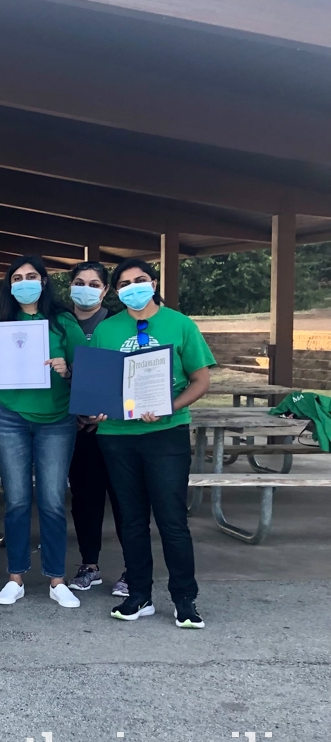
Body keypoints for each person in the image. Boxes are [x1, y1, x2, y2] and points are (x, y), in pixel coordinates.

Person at [91, 258, 212, 629]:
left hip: (166, 435)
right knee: (130, 520)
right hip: (117, 438)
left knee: (172, 520)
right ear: (115, 292)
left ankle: (184, 599)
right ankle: (139, 595)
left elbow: (200, 380)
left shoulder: (180, 324)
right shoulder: (107, 330)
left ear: (154, 282)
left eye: (139, 280)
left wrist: (167, 408)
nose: (133, 288)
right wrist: (96, 407)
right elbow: (98, 386)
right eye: (124, 284)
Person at [0, 255, 86, 609]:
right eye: (18, 277)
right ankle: (16, 577)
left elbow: (84, 371)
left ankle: (56, 579)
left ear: (43, 281)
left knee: (53, 501)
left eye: (32, 276)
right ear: (9, 285)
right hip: (8, 417)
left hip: (56, 419)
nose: (25, 282)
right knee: (18, 499)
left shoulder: (63, 320)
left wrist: (67, 371)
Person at [65, 262, 126, 596]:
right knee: (85, 498)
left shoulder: (117, 325)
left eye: (93, 283)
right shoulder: (59, 324)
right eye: (79, 282)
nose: (85, 288)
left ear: (105, 291)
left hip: (116, 428)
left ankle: (133, 567)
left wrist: (106, 411)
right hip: (75, 428)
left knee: (124, 498)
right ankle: (89, 564)